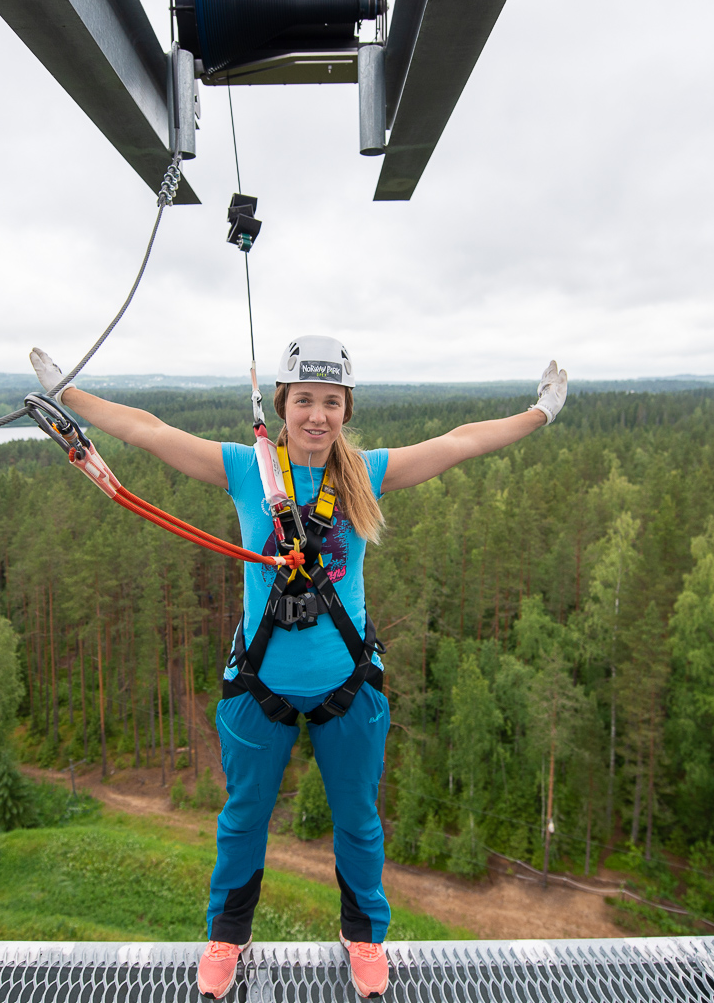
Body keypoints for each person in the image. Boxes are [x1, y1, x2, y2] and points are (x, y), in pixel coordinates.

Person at [28, 336, 568, 1000]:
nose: (318, 415)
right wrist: (68, 396)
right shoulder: (245, 470)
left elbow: (461, 442)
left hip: (348, 687)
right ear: (282, 405)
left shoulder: (363, 473)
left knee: (358, 821)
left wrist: (541, 413)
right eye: (305, 400)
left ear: (346, 410)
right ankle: (228, 933)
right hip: (259, 688)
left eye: (332, 402)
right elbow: (149, 431)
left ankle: (365, 935)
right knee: (244, 818)